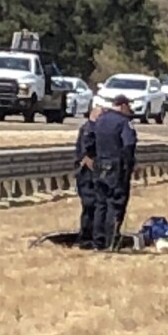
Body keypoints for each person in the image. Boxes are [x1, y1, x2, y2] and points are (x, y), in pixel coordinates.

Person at [86, 94, 138, 252]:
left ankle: (98, 241)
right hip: (116, 167)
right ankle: (111, 241)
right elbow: (129, 145)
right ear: (122, 105)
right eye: (128, 106)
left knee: (100, 204)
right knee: (115, 204)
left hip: (99, 164)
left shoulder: (100, 119)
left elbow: (89, 139)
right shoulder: (124, 122)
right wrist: (128, 165)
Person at [74, 104, 104, 248]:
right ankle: (86, 238)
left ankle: (94, 236)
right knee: (89, 205)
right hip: (87, 174)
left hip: (92, 173)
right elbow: (86, 155)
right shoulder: (88, 129)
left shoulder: (93, 128)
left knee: (96, 206)